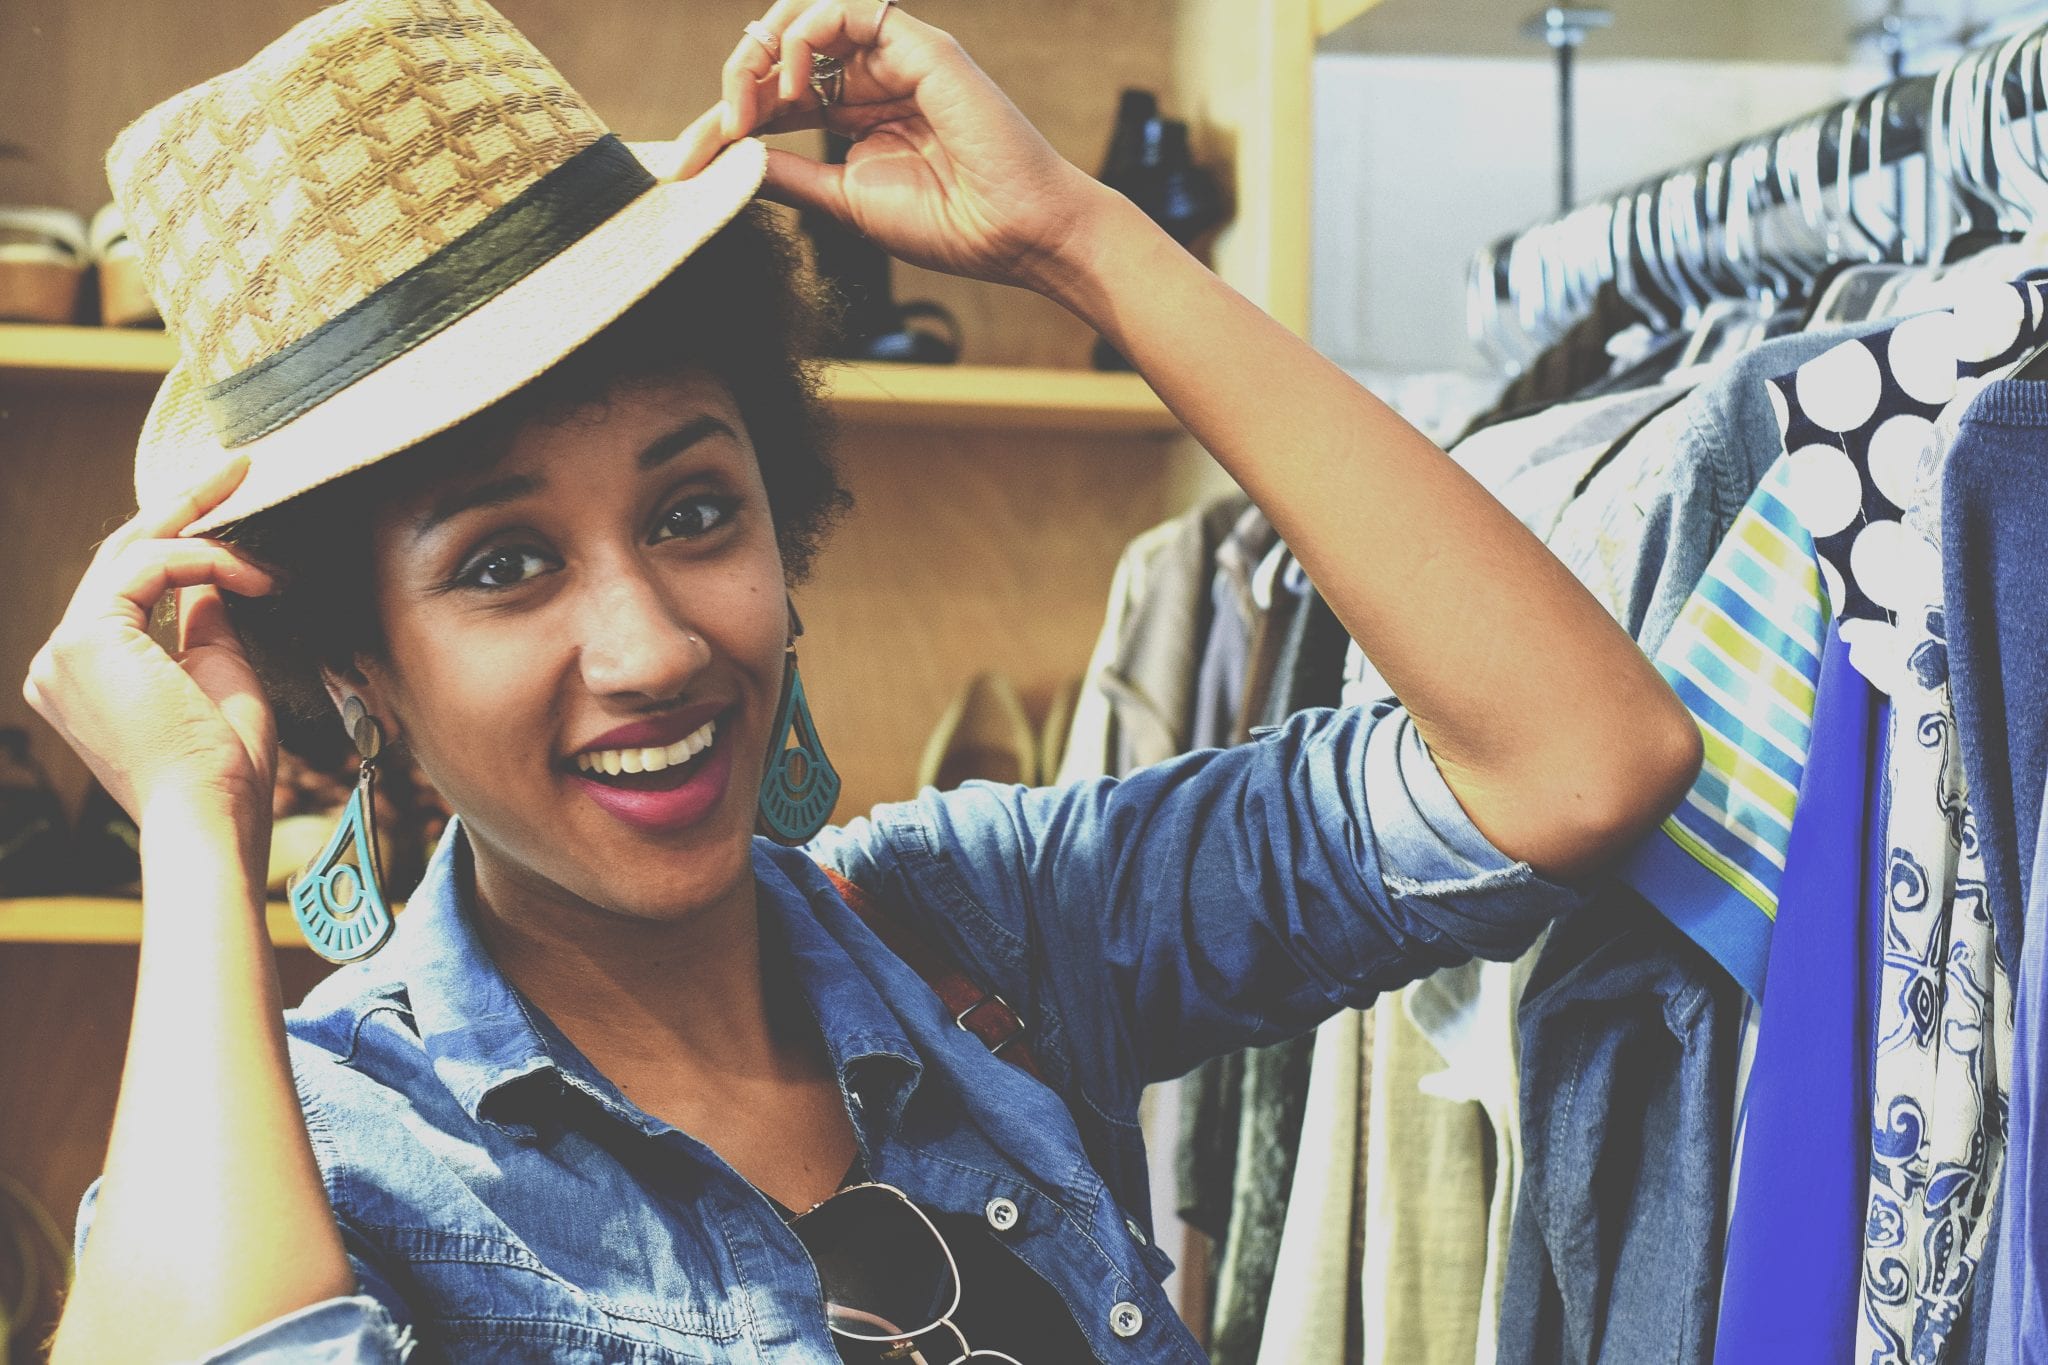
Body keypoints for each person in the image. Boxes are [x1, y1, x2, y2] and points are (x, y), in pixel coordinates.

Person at [20, 0, 1703, 1360]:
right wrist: (193, 824)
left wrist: (1084, 241)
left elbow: (1577, 759)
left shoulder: (980, 929)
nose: (656, 645)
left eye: (693, 511)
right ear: (356, 671)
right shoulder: (342, 1148)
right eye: (504, 564)